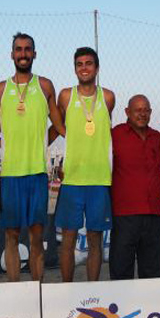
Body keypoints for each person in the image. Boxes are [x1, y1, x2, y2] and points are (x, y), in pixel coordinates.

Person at [0, 32, 66, 282]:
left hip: (37, 173)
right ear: (11, 54)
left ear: (35, 53)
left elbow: (60, 125)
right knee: (11, 238)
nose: (23, 53)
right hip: (11, 175)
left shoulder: (44, 86)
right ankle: (15, 290)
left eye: (27, 49)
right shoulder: (1, 89)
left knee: (36, 238)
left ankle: (36, 291)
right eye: (18, 49)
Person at [54, 47, 115, 282]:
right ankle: (67, 288)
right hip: (72, 178)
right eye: (79, 64)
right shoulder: (66, 96)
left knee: (95, 239)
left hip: (99, 179)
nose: (84, 68)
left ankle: (92, 290)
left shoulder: (108, 97)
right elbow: (59, 126)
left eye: (89, 63)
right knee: (68, 240)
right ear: (74, 68)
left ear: (97, 68)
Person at [109, 95, 160, 280]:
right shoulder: (114, 135)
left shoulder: (158, 137)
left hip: (154, 216)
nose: (142, 114)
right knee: (121, 273)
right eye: (137, 110)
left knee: (153, 276)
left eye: (146, 110)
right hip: (125, 216)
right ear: (127, 112)